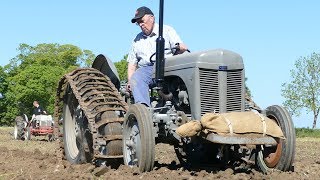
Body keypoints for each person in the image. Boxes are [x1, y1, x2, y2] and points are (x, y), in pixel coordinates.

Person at [127, 6, 188, 107]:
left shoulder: (167, 30)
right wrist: (130, 82)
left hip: (168, 65)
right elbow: (132, 65)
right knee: (137, 77)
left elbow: (181, 47)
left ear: (152, 18)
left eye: (142, 21)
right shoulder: (137, 40)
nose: (141, 24)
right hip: (148, 70)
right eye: (138, 23)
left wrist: (180, 47)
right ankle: (143, 110)